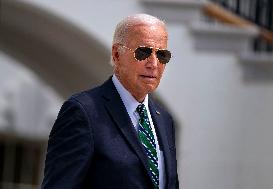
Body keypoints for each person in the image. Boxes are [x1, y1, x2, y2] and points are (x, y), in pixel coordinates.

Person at [41, 13, 179, 189]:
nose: (153, 63)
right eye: (143, 52)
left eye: (162, 55)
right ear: (116, 54)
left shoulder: (164, 120)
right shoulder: (83, 112)